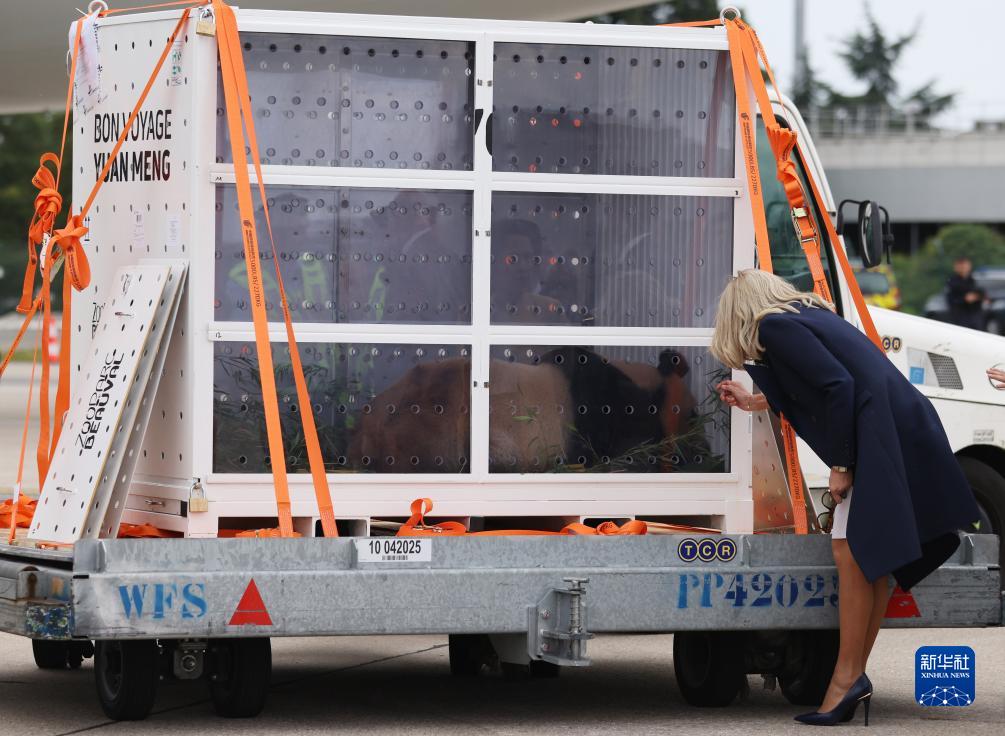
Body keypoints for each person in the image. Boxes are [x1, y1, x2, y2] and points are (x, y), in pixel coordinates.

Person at [711, 269, 980, 727]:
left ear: (739, 313)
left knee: (852, 550)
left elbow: (837, 386)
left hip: (876, 437)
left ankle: (847, 677)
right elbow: (819, 383)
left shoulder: (774, 328)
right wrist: (755, 400)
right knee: (868, 555)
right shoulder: (808, 315)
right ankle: (850, 676)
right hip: (895, 428)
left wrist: (840, 463)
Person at [945, 257, 986, 330]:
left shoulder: (974, 280)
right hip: (960, 317)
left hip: (975, 317)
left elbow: (982, 293)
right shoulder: (952, 282)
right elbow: (951, 299)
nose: (963, 268)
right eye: (961, 266)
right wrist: (964, 299)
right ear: (956, 267)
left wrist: (976, 297)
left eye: (965, 266)